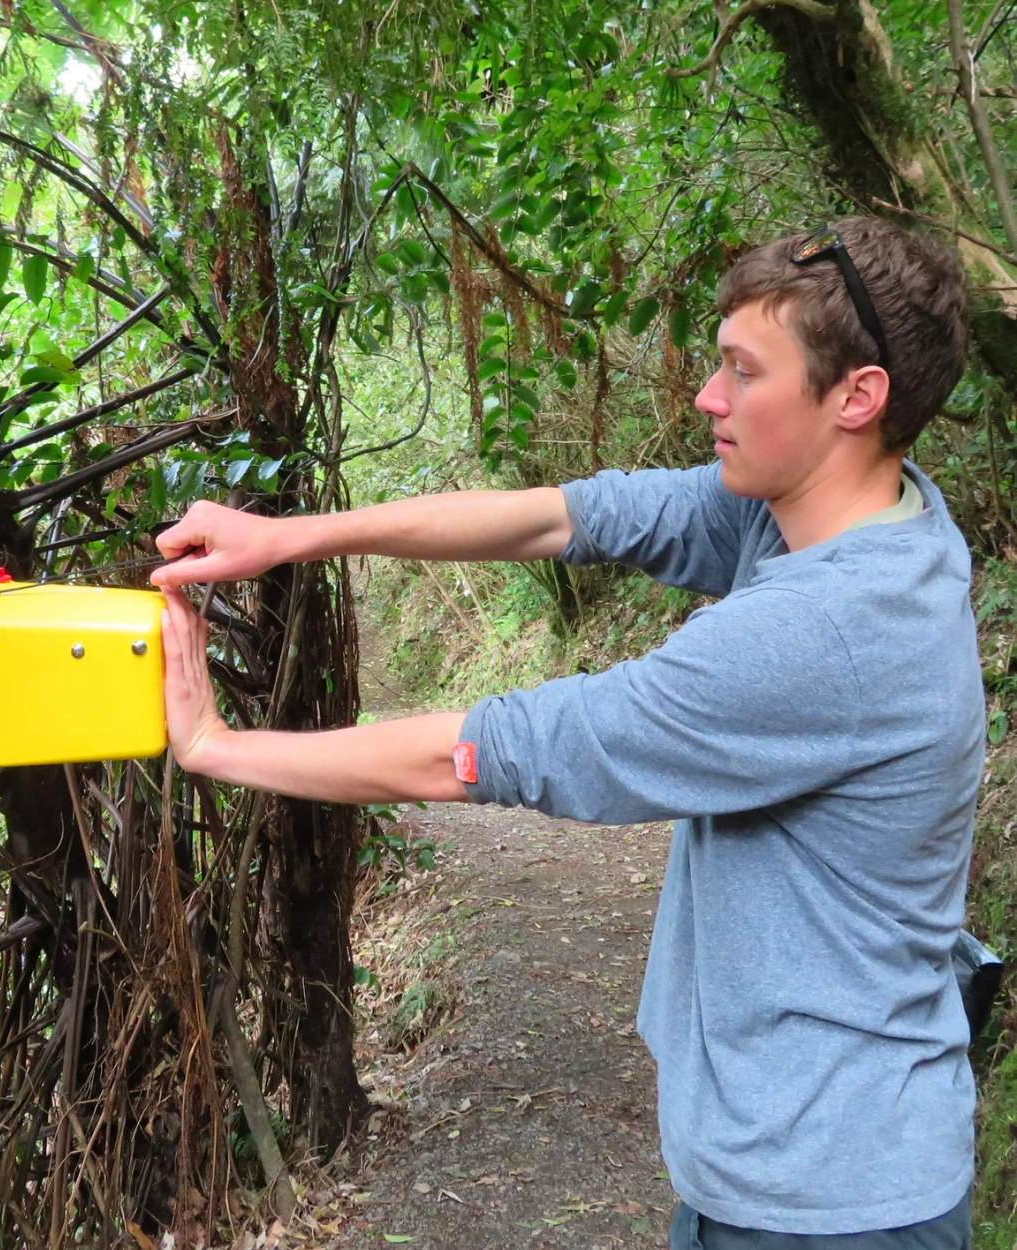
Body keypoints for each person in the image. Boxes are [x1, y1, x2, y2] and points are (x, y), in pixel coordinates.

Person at [149, 217, 982, 1250]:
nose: (704, 397)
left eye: (740, 371)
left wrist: (219, 747)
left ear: (854, 396)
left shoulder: (827, 630)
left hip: (828, 1198)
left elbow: (498, 748)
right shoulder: (843, 511)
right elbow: (561, 518)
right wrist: (289, 536)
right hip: (787, 1162)